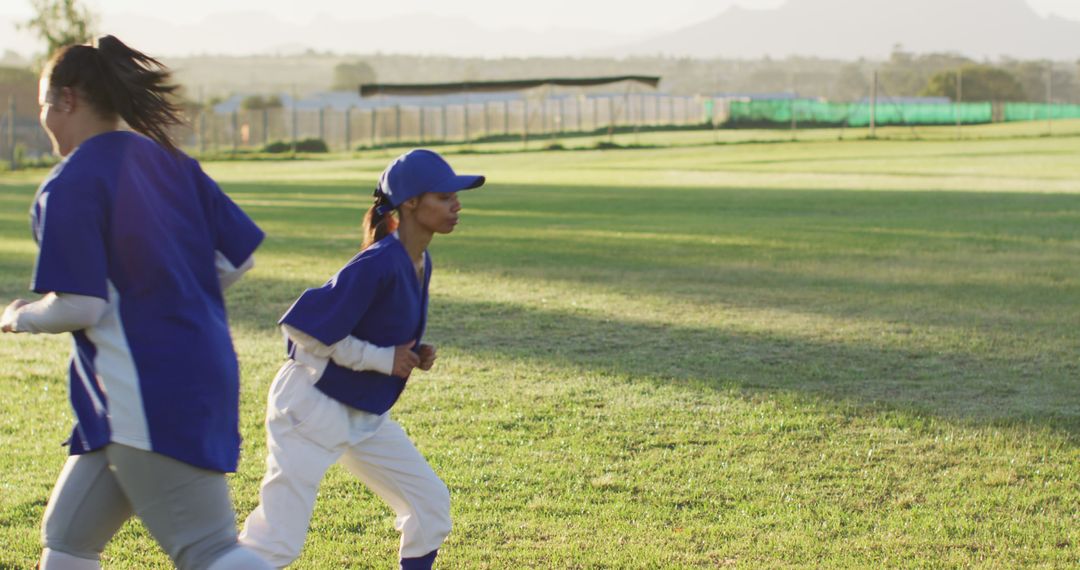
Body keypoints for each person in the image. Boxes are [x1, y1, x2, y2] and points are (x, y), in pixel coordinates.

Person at [0, 36, 270, 570]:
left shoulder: (71, 181)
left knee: (210, 551)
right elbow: (236, 261)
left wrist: (18, 317)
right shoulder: (170, 160)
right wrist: (167, 294)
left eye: (42, 105)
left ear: (67, 100)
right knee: (69, 539)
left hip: (145, 388)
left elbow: (80, 306)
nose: (44, 119)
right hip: (179, 377)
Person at [239, 149, 484, 569]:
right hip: (310, 408)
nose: (456, 205)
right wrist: (383, 359)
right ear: (410, 203)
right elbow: (303, 332)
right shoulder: (377, 262)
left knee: (429, 505)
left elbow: (376, 333)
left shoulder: (420, 259)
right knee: (276, 542)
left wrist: (410, 354)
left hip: (362, 415)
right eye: (444, 196)